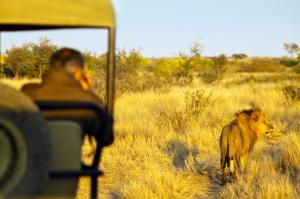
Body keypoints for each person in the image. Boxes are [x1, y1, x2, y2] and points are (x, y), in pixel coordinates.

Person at [22, 48, 114, 147]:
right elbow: (107, 139)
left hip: (31, 161)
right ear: (78, 71)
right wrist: (88, 91)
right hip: (70, 162)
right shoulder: (90, 101)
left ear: (51, 67)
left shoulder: (26, 92)